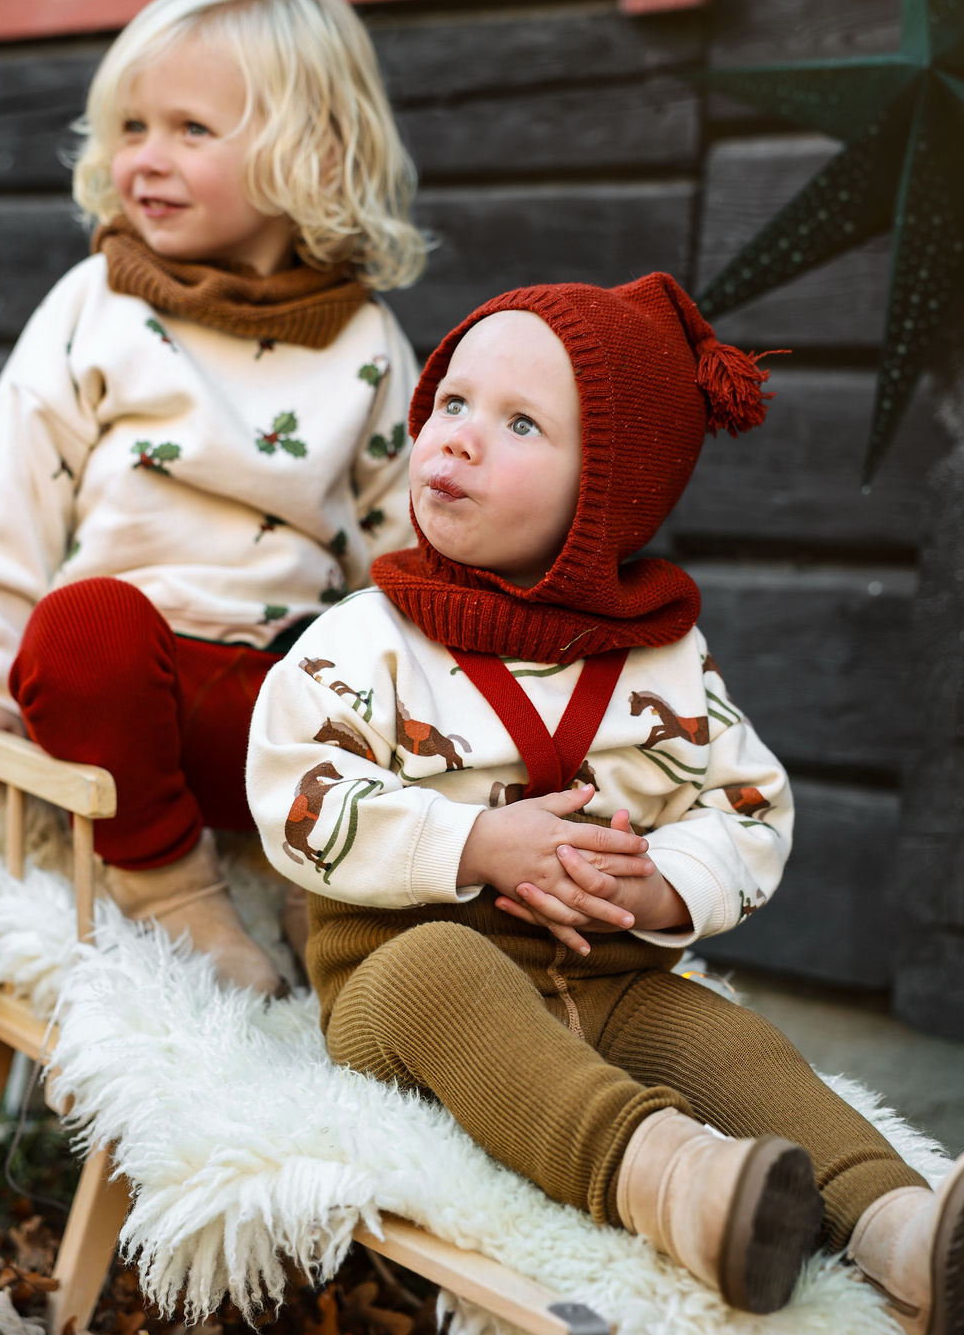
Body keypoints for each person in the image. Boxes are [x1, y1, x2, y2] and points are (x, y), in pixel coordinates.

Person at [247, 274, 964, 1330]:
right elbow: (296, 787)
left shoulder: (662, 659)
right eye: (451, 402)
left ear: (607, 493)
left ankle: (900, 1228)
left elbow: (749, 804)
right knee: (442, 972)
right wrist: (476, 842)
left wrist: (665, 887)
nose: (458, 438)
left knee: (731, 1044)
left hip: (608, 979)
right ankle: (674, 1181)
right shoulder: (371, 640)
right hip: (406, 980)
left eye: (519, 421)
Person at [0, 0, 426, 997]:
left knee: (359, 669)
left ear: (311, 153)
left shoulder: (366, 339)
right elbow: (8, 491)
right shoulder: (98, 305)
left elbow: (402, 533)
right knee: (81, 630)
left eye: (190, 130)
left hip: (270, 699)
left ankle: (321, 885)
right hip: (119, 689)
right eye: (129, 127)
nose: (142, 161)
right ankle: (169, 887)